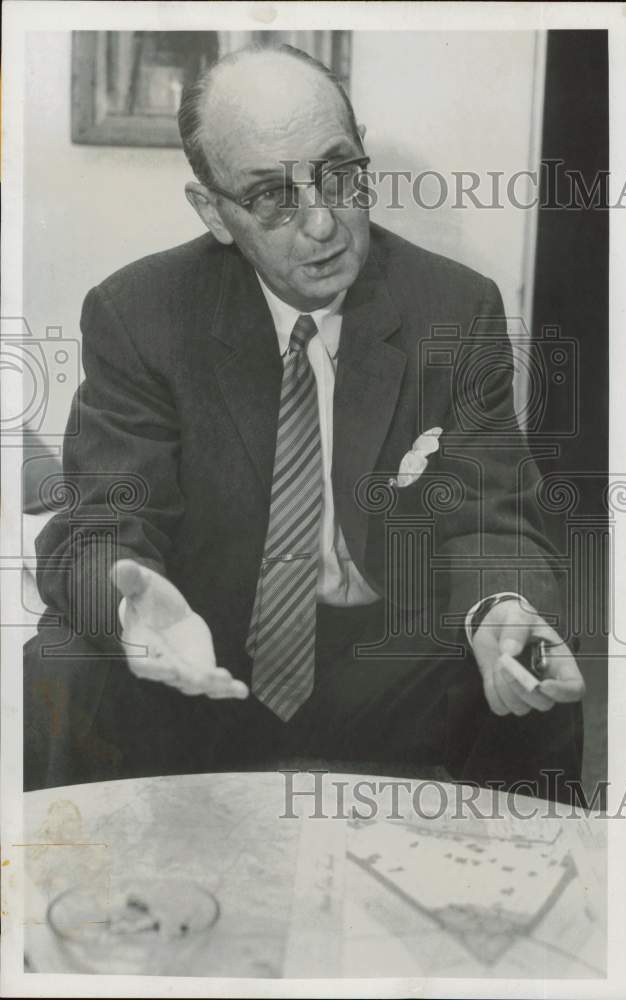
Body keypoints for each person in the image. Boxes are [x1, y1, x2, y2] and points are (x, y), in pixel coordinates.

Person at [24, 44, 585, 797]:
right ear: (214, 212)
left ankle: (525, 903)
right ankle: (71, 910)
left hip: (382, 660)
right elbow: (101, 527)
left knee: (528, 656)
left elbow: (495, 514)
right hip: (206, 649)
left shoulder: (454, 306)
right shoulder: (140, 315)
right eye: (271, 197)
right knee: (65, 660)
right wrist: (138, 612)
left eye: (341, 174)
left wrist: (500, 607)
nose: (322, 224)